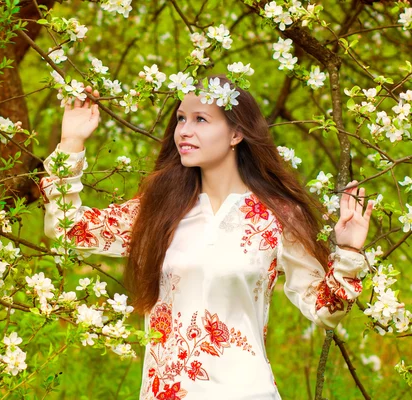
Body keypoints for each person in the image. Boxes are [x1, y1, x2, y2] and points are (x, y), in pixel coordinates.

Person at [39, 75, 373, 400]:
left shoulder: (277, 216)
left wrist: (349, 250)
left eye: (201, 119)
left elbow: (325, 309)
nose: (184, 130)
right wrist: (72, 143)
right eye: (181, 119)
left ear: (236, 134)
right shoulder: (157, 211)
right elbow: (68, 230)